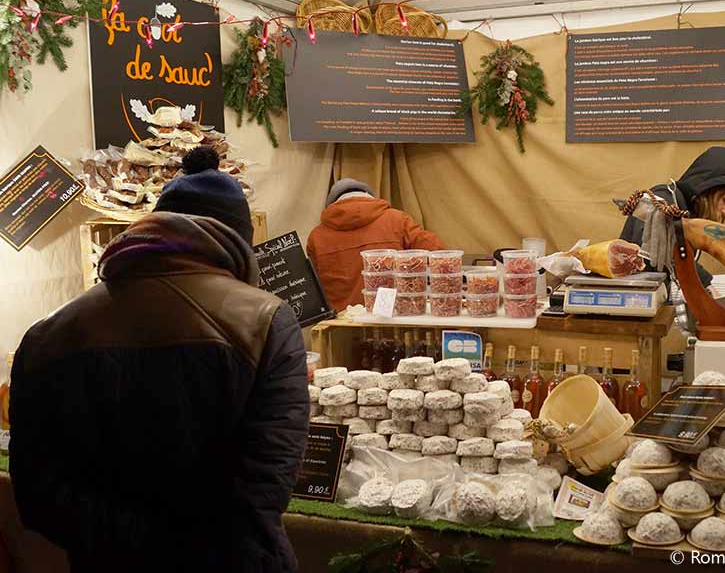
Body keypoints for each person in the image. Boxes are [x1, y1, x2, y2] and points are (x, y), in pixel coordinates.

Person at [9, 147, 309, 572]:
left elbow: (38, 492)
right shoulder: (265, 320)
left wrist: (129, 543)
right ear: (240, 240)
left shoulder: (48, 335)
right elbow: (267, 484)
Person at [619, 146, 725, 286]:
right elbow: (665, 253)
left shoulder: (689, 210)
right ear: (707, 190)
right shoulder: (662, 201)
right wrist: (705, 284)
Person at [308, 179, 445, 309]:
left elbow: (312, 289)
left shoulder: (316, 236)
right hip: (393, 318)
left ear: (332, 204)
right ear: (368, 196)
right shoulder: (397, 220)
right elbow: (439, 255)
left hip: (340, 325)